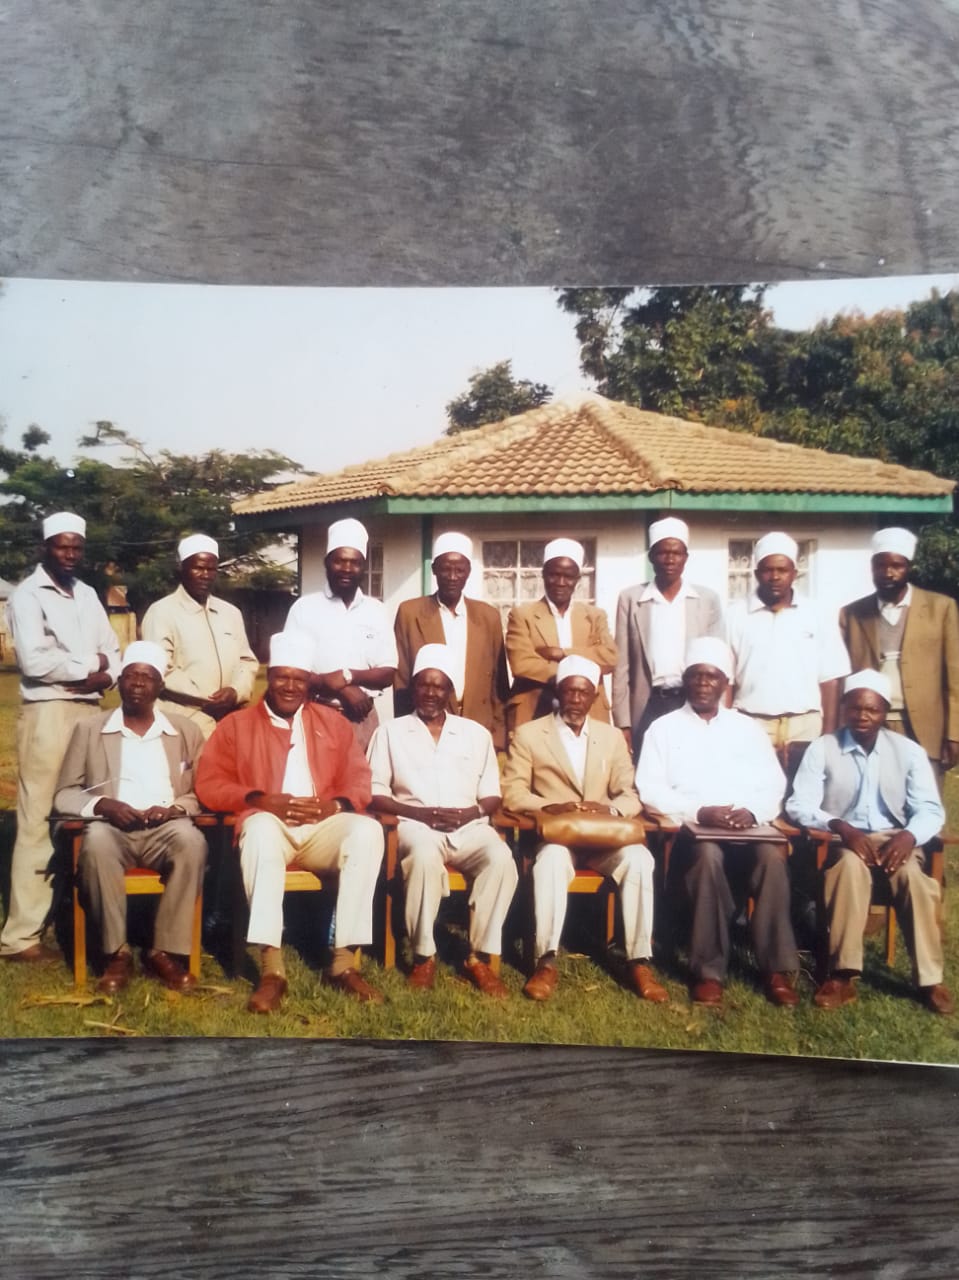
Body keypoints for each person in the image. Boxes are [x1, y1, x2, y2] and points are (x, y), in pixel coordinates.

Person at [195, 632, 385, 1014]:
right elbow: (210, 783)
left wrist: (334, 805)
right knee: (261, 832)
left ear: (308, 683)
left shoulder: (333, 723)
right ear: (269, 676)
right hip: (271, 824)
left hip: (321, 825)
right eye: (282, 676)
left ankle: (343, 962)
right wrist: (260, 800)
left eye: (299, 679)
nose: (290, 686)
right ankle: (272, 969)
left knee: (367, 831)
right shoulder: (236, 725)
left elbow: (359, 778)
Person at [636, 637, 799, 1007]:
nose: (704, 683)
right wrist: (699, 811)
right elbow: (649, 788)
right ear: (686, 680)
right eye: (696, 676)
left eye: (712, 677)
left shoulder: (748, 729)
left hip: (747, 829)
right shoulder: (663, 729)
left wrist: (753, 812)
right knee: (708, 855)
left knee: (772, 858)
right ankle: (708, 972)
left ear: (726, 683)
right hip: (692, 836)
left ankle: (775, 969)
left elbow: (774, 784)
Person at [502, 655, 666, 1004]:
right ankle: (545, 961)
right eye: (569, 691)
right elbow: (513, 792)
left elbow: (629, 792)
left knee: (638, 858)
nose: (576, 700)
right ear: (559, 693)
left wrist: (609, 809)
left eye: (584, 692)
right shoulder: (531, 734)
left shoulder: (611, 737)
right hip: (558, 836)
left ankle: (638, 960)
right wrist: (549, 806)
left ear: (594, 697)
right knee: (549, 864)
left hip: (604, 837)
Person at [786, 669, 953, 1015]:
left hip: (895, 839)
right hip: (843, 839)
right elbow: (799, 804)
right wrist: (839, 826)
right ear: (844, 707)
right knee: (848, 868)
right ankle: (842, 975)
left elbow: (930, 810)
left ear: (884, 711)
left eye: (872, 710)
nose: (863, 716)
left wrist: (908, 835)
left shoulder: (908, 751)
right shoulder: (824, 747)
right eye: (855, 708)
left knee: (914, 881)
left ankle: (930, 981)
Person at [52, 642, 208, 994]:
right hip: (112, 829)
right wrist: (103, 805)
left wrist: (175, 809)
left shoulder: (184, 730)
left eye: (147, 676)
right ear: (119, 683)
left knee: (192, 841)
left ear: (159, 687)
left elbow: (201, 792)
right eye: (131, 675)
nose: (138, 682)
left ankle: (162, 951)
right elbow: (64, 793)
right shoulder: (90, 729)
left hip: (166, 828)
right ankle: (116, 953)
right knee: (96, 842)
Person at [1, 512, 121, 962]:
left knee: (88, 808)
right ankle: (21, 936)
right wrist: (92, 670)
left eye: (76, 547)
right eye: (61, 547)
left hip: (90, 711)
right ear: (44, 547)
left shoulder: (87, 593)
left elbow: (114, 650)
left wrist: (98, 672)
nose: (69, 555)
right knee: (37, 820)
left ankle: (77, 918)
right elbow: (34, 661)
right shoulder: (28, 596)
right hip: (48, 712)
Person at [368, 643, 517, 995]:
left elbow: (492, 794)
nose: (431, 693)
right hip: (415, 826)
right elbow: (374, 790)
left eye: (440, 686)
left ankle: (477, 957)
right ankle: (424, 955)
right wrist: (418, 813)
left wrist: (471, 812)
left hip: (469, 826)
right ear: (413, 687)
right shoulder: (390, 732)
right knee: (422, 857)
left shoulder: (476, 734)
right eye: (424, 684)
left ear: (451, 691)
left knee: (501, 859)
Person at [725, 531, 850, 780]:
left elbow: (831, 679)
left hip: (806, 724)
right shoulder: (736, 614)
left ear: (794, 572)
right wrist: (726, 726)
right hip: (752, 721)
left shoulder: (816, 613)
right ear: (756, 572)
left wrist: (828, 733)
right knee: (755, 793)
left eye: (782, 570)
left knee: (804, 796)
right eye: (767, 570)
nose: (775, 577)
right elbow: (726, 679)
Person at [839, 527, 959, 784]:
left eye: (897, 565)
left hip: (925, 727)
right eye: (881, 565)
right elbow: (843, 674)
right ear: (872, 567)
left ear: (909, 567)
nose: (889, 573)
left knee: (925, 806)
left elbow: (955, 677)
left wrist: (954, 734)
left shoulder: (941, 608)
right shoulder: (852, 613)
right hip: (869, 724)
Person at [283, 517, 397, 752]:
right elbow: (292, 671)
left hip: (363, 719)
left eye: (354, 562)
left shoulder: (377, 610)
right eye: (339, 561)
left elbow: (387, 673)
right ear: (327, 562)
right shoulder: (304, 609)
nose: (346, 569)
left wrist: (347, 676)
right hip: (316, 714)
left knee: (361, 786)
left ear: (363, 566)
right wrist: (343, 689)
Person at [612, 516, 723, 756]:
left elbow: (718, 662)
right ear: (651, 556)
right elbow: (621, 666)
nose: (670, 559)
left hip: (691, 701)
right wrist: (623, 723)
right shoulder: (631, 599)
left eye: (677, 553)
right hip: (649, 703)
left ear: (686, 558)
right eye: (662, 552)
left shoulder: (706, 600)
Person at [393, 532, 509, 749]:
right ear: (434, 569)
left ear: (468, 572)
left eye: (460, 570)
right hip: (426, 728)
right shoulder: (410, 613)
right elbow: (401, 681)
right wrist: (405, 733)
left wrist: (498, 736)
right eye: (446, 569)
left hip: (477, 727)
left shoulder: (488, 616)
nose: (452, 576)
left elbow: (499, 683)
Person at [141, 533, 258, 740]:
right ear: (181, 568)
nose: (205, 575)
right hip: (186, 718)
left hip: (231, 717)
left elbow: (246, 661)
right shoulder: (162, 612)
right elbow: (160, 670)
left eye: (211, 569)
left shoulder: (230, 613)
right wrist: (210, 697)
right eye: (198, 568)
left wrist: (235, 692)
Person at [505, 538, 617, 736]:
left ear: (577, 579)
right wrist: (577, 675)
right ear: (543, 575)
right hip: (537, 708)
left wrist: (562, 653)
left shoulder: (594, 616)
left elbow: (609, 657)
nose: (561, 582)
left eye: (568, 576)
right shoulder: (523, 615)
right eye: (554, 575)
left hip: (588, 713)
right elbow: (521, 663)